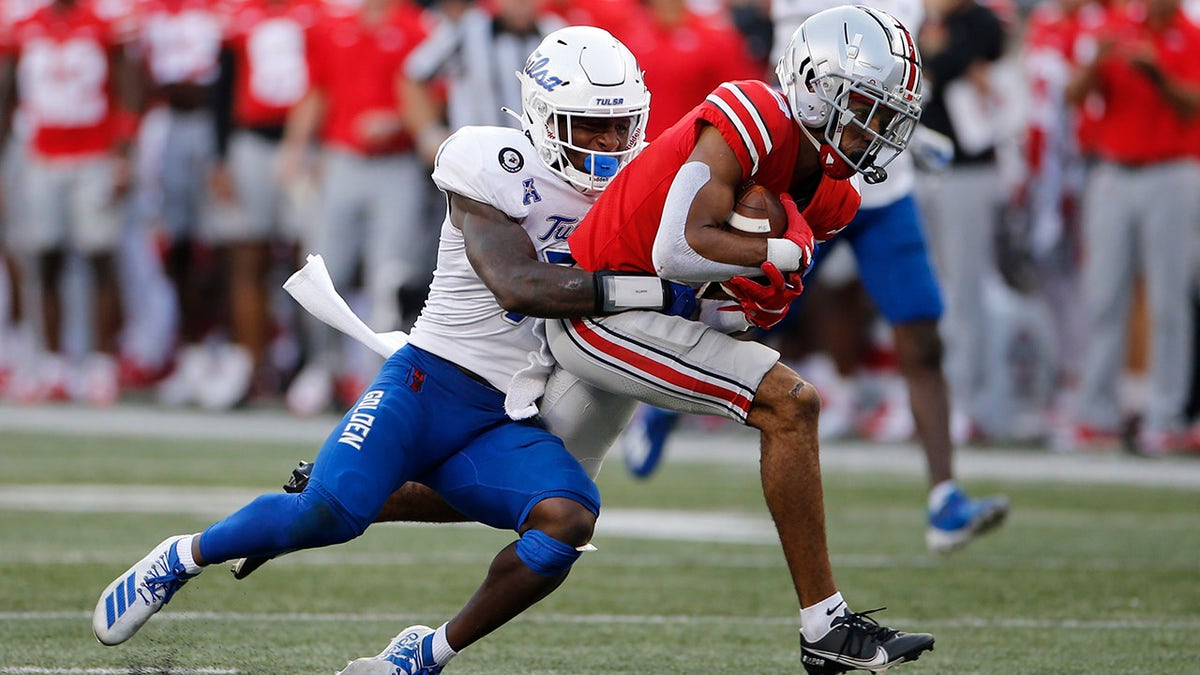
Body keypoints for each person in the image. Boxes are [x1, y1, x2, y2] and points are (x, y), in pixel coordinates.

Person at [92, 26, 696, 674]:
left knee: (567, 520)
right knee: (328, 511)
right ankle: (183, 556)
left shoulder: (648, 180)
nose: (608, 145)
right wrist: (653, 287)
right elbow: (518, 286)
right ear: (546, 119)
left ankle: (424, 653)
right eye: (589, 126)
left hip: (511, 413)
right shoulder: (490, 162)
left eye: (619, 126)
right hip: (430, 383)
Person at [543, 6, 935, 673]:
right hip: (599, 304)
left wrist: (754, 293)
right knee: (791, 402)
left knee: (537, 489)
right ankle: (827, 628)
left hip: (651, 316)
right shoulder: (755, 112)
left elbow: (732, 311)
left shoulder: (833, 192)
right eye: (865, 107)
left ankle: (348, 490)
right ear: (815, 89)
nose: (876, 129)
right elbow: (675, 247)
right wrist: (776, 252)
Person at [621, 0, 1010, 555]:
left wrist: (899, 130)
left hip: (882, 185)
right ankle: (665, 402)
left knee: (921, 335)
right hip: (811, 172)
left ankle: (945, 497)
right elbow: (794, 75)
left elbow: (900, 79)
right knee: (745, 318)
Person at [1064, 0, 1200, 454]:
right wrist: (1097, 61)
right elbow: (1072, 96)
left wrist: (1156, 72)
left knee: (1169, 299)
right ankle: (1096, 413)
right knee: (1103, 295)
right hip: (1113, 171)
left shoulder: (1190, 33)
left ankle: (1166, 416)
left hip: (1173, 171)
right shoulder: (1118, 27)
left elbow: (1193, 104)